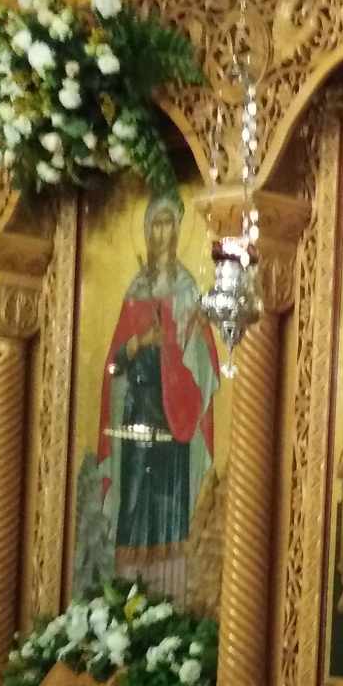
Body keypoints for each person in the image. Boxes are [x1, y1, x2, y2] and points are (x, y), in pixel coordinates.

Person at [98, 191, 220, 603]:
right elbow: (113, 364)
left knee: (170, 503)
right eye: (156, 224)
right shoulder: (136, 289)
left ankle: (171, 597)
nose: (163, 233)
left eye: (169, 223)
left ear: (178, 230)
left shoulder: (188, 288)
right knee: (134, 499)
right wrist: (139, 343)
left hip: (174, 415)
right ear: (147, 231)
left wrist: (193, 333)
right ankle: (126, 593)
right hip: (138, 412)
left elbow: (204, 360)